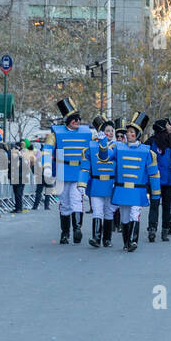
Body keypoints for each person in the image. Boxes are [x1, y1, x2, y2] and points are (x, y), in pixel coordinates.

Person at [112, 118, 160, 253]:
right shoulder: (118, 148)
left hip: (138, 190)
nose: (128, 134)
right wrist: (103, 143)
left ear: (137, 135)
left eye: (131, 132)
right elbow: (105, 157)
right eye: (127, 132)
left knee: (135, 214)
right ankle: (126, 242)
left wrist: (156, 193)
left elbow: (153, 173)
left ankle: (133, 241)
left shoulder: (147, 151)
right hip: (122, 189)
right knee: (125, 218)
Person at [50, 98, 92, 245]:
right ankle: (65, 233)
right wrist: (47, 167)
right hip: (62, 171)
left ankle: (77, 229)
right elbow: (47, 150)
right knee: (64, 203)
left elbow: (96, 147)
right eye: (74, 119)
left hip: (79, 172)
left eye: (78, 119)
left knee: (76, 200)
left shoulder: (87, 132)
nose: (77, 121)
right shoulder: (55, 133)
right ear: (68, 120)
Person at [147, 117, 171, 242]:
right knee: (154, 205)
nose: (170, 127)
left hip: (170, 179)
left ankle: (165, 230)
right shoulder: (150, 142)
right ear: (162, 127)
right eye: (167, 125)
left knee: (167, 206)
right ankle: (152, 229)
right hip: (155, 180)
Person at [85, 122, 117, 248]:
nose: (110, 133)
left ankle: (107, 239)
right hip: (96, 183)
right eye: (107, 130)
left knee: (109, 212)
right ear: (102, 132)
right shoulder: (92, 146)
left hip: (111, 183)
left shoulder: (117, 147)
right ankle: (96, 238)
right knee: (97, 211)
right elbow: (86, 166)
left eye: (112, 131)